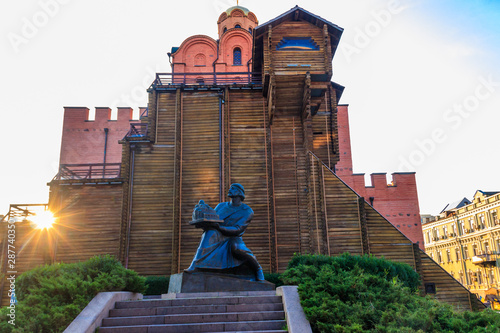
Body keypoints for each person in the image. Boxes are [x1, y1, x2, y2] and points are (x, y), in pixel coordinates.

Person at [186, 183, 265, 281]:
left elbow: (238, 229)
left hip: (233, 237)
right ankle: (195, 265)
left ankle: (257, 268)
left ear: (239, 192)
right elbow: (213, 219)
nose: (229, 189)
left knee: (237, 248)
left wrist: (219, 227)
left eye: (233, 188)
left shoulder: (247, 211)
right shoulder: (221, 206)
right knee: (209, 233)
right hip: (218, 234)